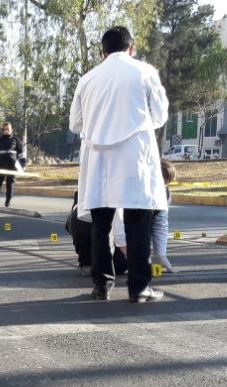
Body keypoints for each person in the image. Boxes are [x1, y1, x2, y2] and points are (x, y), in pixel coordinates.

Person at [69, 26, 169, 302]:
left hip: (98, 157)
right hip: (134, 155)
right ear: (132, 48)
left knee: (101, 224)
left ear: (103, 52)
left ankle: (101, 285)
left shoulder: (87, 79)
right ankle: (139, 287)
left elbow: (75, 124)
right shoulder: (145, 72)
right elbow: (159, 116)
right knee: (138, 221)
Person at [111, 159, 177, 276]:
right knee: (116, 267)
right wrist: (128, 253)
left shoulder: (164, 194)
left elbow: (160, 223)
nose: (163, 188)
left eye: (166, 184)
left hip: (131, 232)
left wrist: (161, 255)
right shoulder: (131, 188)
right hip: (112, 233)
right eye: (161, 183)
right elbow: (118, 220)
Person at [0, 122, 26, 209]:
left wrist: (22, 166)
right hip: (0, 167)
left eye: (8, 129)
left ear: (11, 130)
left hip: (12, 167)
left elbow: (22, 155)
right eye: (5, 129)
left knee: (9, 185)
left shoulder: (17, 141)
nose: (6, 130)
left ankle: (7, 204)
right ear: (2, 130)